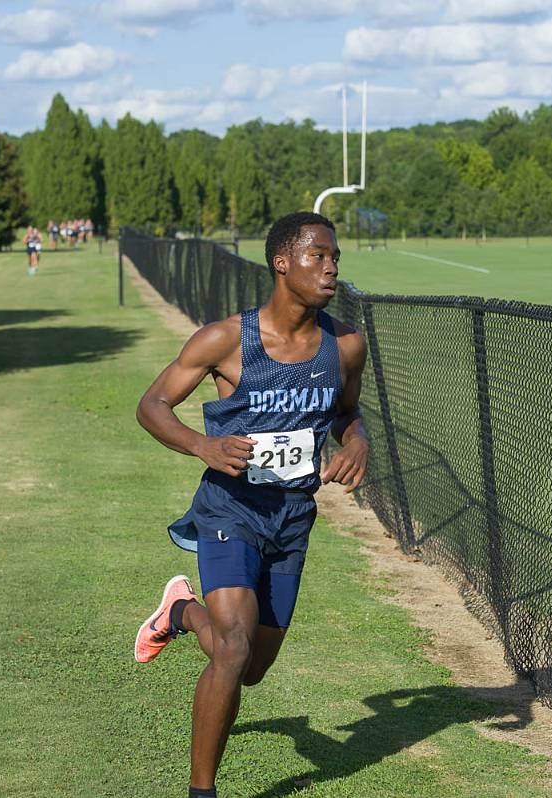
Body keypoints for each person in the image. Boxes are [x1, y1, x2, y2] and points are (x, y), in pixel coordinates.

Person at [134, 212, 369, 798]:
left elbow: (347, 413)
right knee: (233, 649)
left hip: (293, 517)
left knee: (254, 668)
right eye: (318, 255)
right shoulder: (225, 341)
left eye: (335, 255)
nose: (332, 266)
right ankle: (201, 791)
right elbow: (153, 404)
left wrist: (358, 442)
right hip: (229, 510)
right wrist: (202, 445)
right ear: (281, 262)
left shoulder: (345, 345)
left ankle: (181, 612)